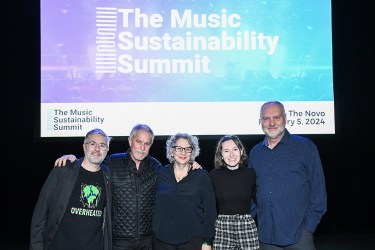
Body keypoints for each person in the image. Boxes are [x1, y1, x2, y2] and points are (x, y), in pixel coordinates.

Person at [54, 124, 201, 250]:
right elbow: (91, 163)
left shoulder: (156, 167)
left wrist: (191, 165)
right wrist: (73, 159)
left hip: (148, 241)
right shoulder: (112, 162)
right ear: (130, 141)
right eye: (139, 141)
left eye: (147, 143)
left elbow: (176, 179)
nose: (142, 147)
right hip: (119, 242)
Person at [249, 101, 327, 250]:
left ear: (285, 118)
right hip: (266, 238)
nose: (271, 123)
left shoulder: (305, 147)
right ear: (261, 121)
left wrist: (308, 228)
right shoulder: (255, 152)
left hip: (299, 237)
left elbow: (318, 192)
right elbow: (251, 194)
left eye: (276, 117)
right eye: (266, 118)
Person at [30, 128, 112, 250]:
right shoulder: (63, 170)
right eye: (92, 144)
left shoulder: (109, 176)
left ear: (107, 150)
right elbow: (41, 212)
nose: (97, 149)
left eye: (102, 145)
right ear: (84, 146)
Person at [152, 133, 217, 250]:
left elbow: (210, 211)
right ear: (171, 151)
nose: (183, 153)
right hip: (161, 241)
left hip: (193, 241)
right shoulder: (161, 173)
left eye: (187, 149)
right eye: (179, 148)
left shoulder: (202, 176)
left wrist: (207, 242)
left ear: (192, 152)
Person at [210, 135, 259, 249]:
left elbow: (260, 202)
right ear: (221, 155)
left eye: (235, 149)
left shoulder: (251, 174)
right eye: (226, 151)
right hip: (222, 227)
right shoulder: (214, 175)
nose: (231, 155)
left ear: (241, 151)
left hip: (246, 225)